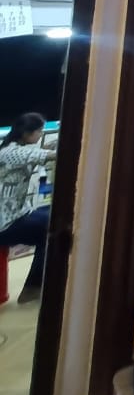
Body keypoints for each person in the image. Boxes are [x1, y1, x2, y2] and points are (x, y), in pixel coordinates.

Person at [0, 112, 55, 303]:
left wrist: (51, 145)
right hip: (5, 223)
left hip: (16, 214)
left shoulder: (13, 148)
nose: (41, 134)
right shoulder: (11, 153)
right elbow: (44, 155)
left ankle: (35, 286)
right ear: (26, 133)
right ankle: (32, 288)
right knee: (51, 232)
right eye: (39, 131)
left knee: (52, 217)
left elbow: (38, 152)